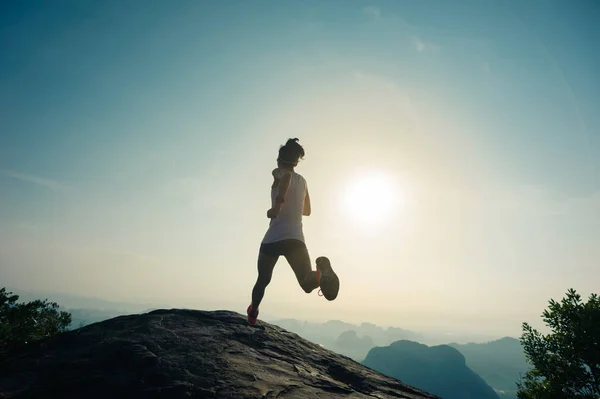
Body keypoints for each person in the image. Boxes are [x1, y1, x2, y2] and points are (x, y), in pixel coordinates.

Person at [247, 138, 339, 325]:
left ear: (279, 159)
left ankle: (253, 311)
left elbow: (286, 178)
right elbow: (307, 211)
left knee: (263, 280)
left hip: (273, 239)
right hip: (295, 239)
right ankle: (320, 275)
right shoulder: (303, 181)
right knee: (306, 283)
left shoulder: (279, 172)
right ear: (297, 161)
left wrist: (277, 206)